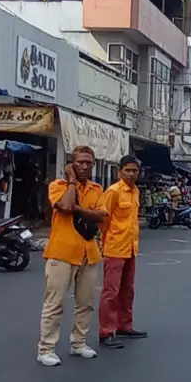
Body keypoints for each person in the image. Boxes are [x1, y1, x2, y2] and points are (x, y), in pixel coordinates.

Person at [36, 147, 108, 367]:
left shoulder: (97, 189)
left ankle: (79, 343)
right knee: (54, 303)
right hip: (62, 252)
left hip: (89, 252)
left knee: (85, 303)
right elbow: (65, 206)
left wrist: (77, 209)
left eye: (89, 163)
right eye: (80, 163)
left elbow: (101, 216)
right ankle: (46, 348)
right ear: (71, 164)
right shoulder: (58, 186)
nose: (85, 167)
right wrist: (70, 181)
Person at [98, 154, 146, 349]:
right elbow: (103, 220)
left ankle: (124, 326)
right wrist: (105, 242)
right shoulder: (113, 191)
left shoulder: (135, 192)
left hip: (131, 248)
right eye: (128, 170)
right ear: (120, 171)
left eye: (135, 171)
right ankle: (106, 332)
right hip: (115, 248)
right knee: (111, 292)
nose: (131, 174)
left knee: (128, 290)